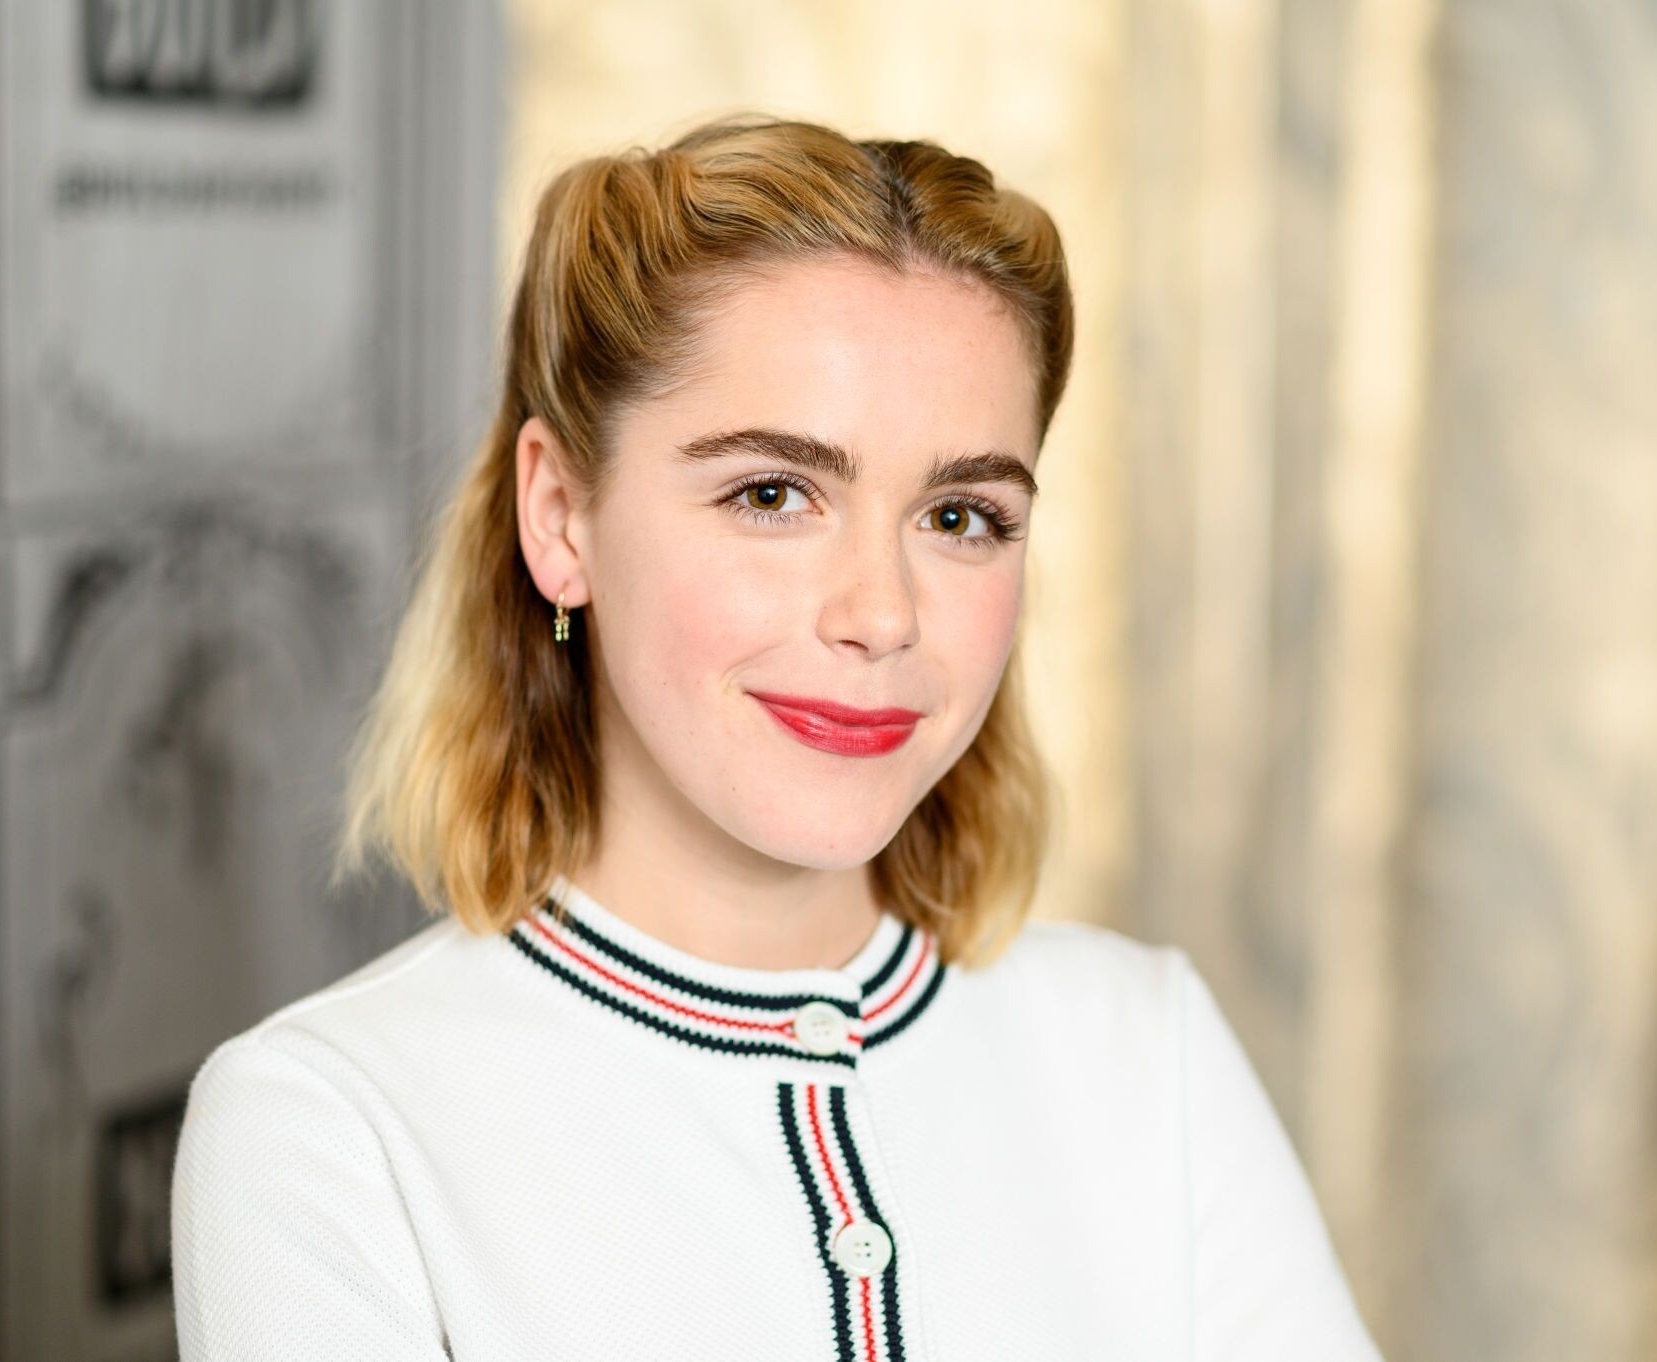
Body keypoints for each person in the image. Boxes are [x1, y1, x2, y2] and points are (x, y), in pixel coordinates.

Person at [168, 112, 1384, 1362]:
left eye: (959, 516)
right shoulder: (331, 1130)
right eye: (771, 494)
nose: (882, 615)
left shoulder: (1146, 1053)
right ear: (560, 518)